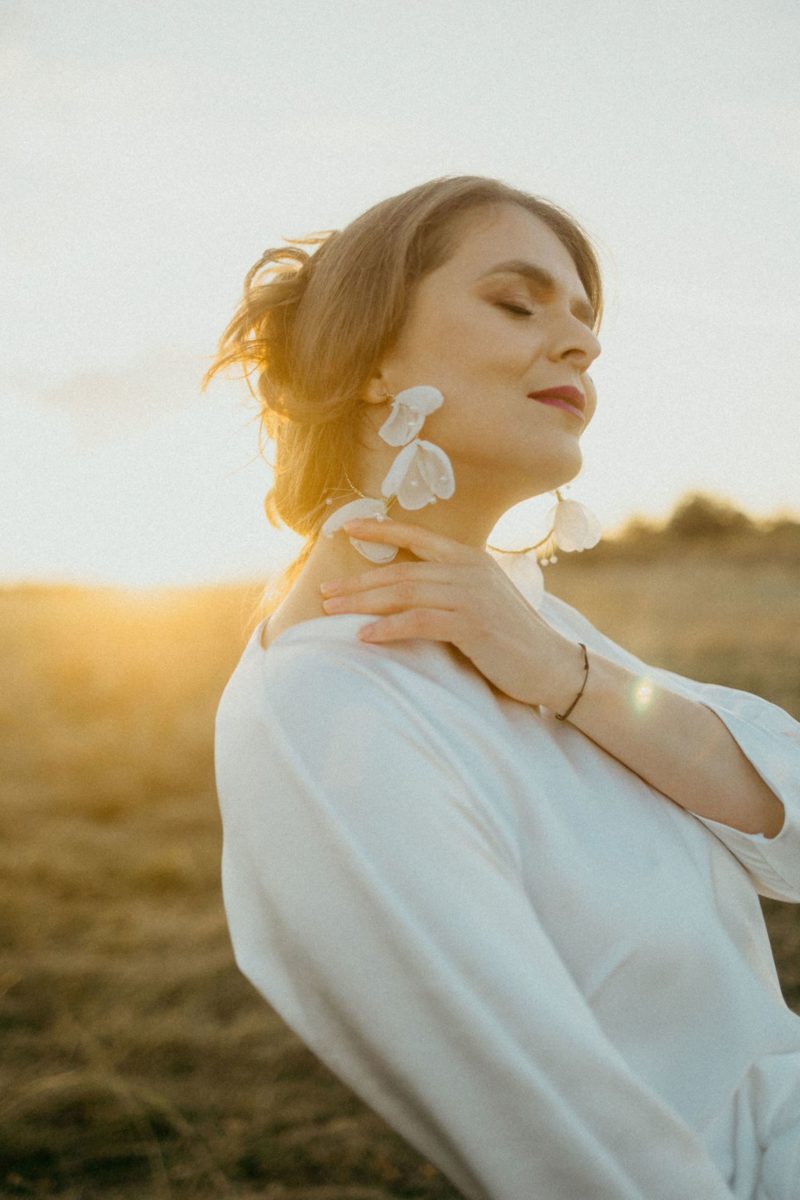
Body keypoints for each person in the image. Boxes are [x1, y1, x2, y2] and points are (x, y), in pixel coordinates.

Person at [206, 176, 800, 1199]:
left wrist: (568, 678)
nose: (582, 345)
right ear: (368, 360)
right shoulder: (325, 711)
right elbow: (564, 1144)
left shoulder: (528, 627)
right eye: (518, 304)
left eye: (584, 317)